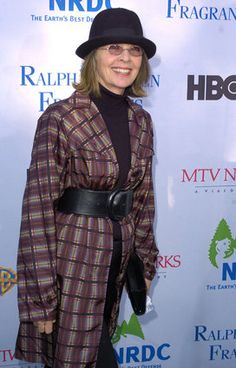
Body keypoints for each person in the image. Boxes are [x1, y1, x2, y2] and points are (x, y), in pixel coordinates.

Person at [15, 7, 158, 368]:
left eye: (135, 50)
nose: (126, 59)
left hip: (115, 262)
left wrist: (143, 266)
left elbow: (142, 200)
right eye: (114, 48)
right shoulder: (60, 118)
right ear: (94, 57)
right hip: (70, 267)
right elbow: (37, 213)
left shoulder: (141, 121)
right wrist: (41, 300)